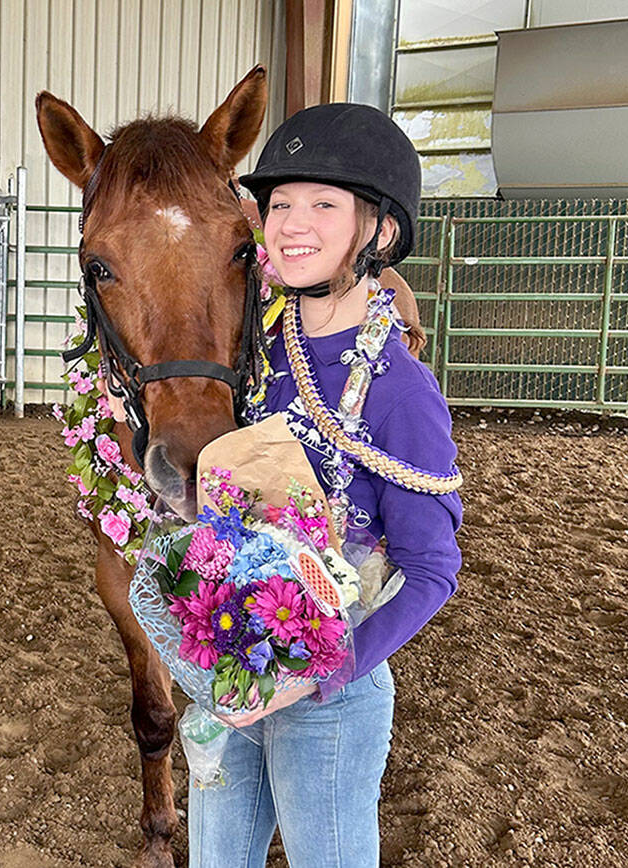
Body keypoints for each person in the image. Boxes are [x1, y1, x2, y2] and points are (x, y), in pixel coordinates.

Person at [188, 103, 463, 867]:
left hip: (334, 694)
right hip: (235, 668)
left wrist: (323, 676)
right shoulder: (252, 360)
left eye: (322, 204)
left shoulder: (399, 390)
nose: (291, 222)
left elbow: (433, 569)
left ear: (378, 232)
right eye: (279, 203)